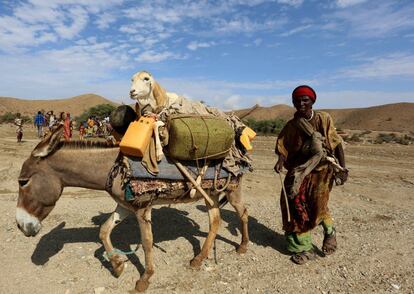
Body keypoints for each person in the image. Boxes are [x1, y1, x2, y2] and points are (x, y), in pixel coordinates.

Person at [274, 85, 348, 265]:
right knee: (293, 204)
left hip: (321, 171)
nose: (301, 103)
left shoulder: (323, 118)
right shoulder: (292, 125)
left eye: (305, 100)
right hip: (299, 170)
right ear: (293, 102)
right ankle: (304, 247)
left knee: (317, 205)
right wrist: (281, 161)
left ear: (312, 101)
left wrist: (342, 168)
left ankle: (330, 232)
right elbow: (283, 145)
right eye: (297, 100)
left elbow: (336, 143)